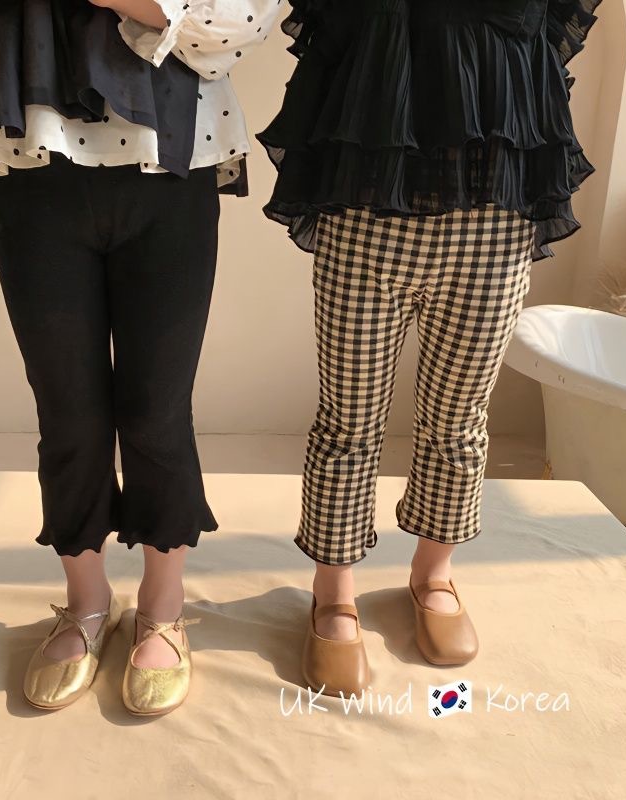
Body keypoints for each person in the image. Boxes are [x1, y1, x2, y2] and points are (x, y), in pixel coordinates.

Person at [0, 0, 280, 716]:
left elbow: (237, 23)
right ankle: (86, 600)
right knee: (69, 412)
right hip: (31, 164)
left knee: (158, 410)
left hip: (171, 162)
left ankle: (163, 605)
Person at [258, 0, 602, 695]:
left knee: (459, 417)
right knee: (348, 420)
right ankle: (334, 593)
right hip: (367, 214)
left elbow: (547, 51)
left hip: (494, 220)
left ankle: (433, 575)